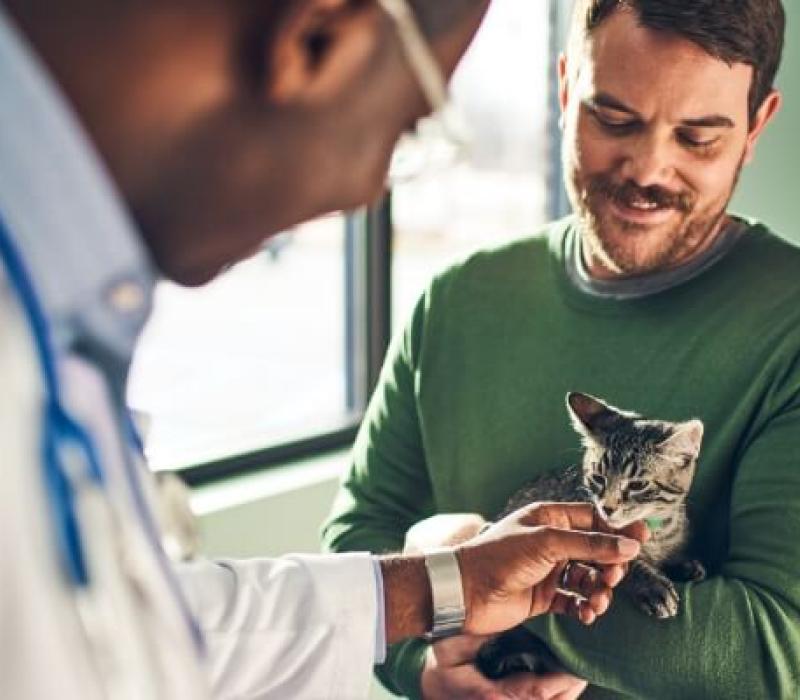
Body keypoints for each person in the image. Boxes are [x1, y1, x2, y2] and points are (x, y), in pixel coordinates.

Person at [0, 0, 648, 698]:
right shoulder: (462, 296)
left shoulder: (57, 318)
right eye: (401, 129)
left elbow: (153, 631)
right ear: (317, 39)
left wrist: (443, 586)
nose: (364, 191)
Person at [323, 0, 800, 698]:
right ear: (565, 85)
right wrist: (426, 672)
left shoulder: (788, 326)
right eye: (614, 120)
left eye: (698, 137)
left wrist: (462, 583)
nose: (648, 170)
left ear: (757, 126)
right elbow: (354, 545)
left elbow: (773, 652)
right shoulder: (456, 300)